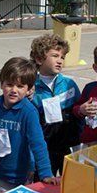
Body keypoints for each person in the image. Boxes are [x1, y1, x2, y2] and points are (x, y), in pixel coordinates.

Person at [0, 57, 59, 193]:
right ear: (1, 84)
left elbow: (38, 143)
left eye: (20, 86)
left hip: (18, 176)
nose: (14, 90)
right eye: (9, 84)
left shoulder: (29, 112)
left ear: (29, 89)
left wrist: (46, 173)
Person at [29, 33, 81, 176]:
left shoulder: (69, 84)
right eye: (55, 56)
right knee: (44, 186)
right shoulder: (30, 88)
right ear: (39, 59)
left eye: (62, 57)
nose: (60, 61)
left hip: (69, 148)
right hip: (46, 151)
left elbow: (79, 113)